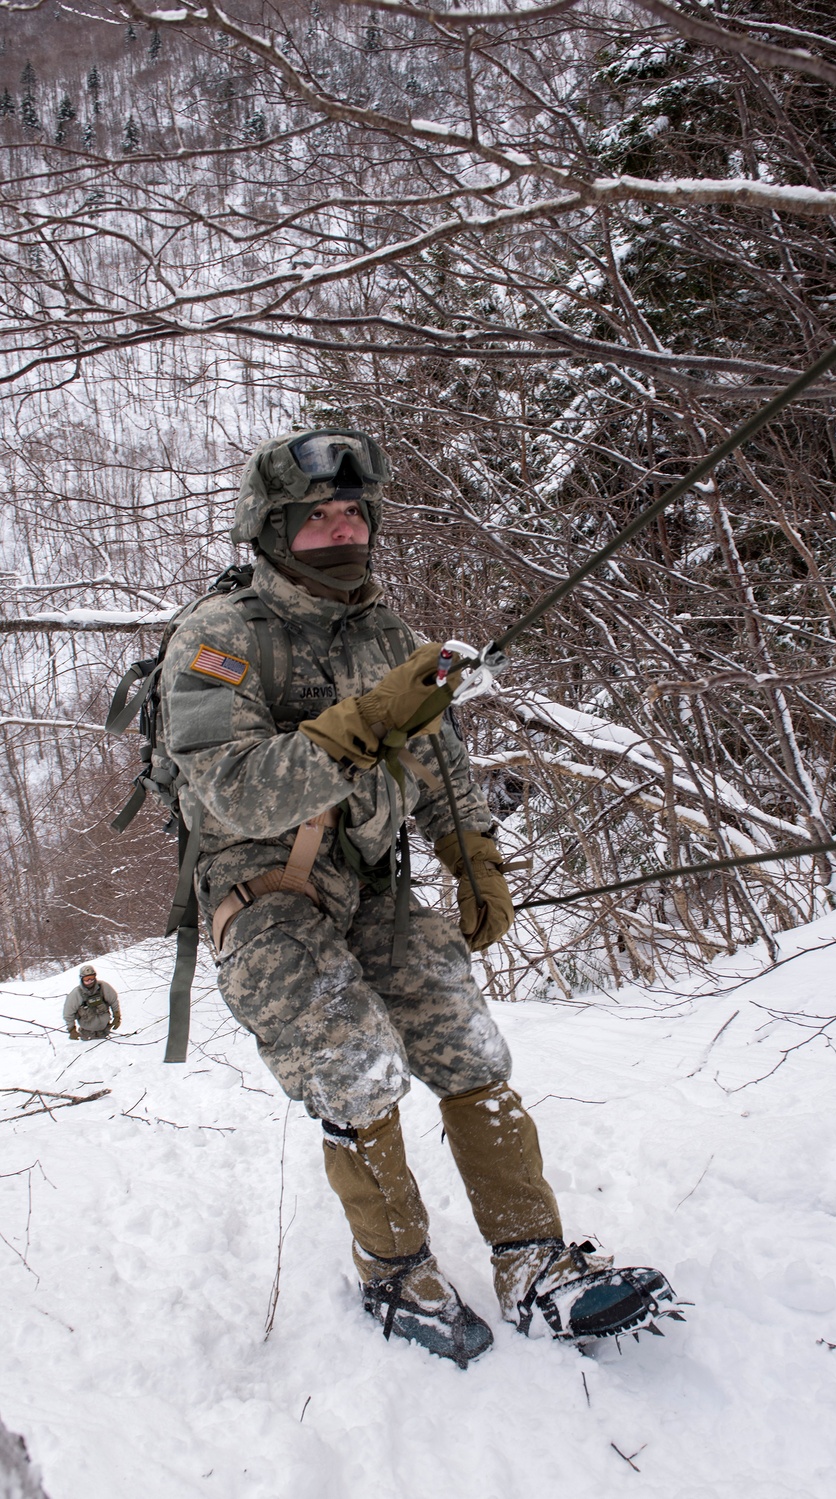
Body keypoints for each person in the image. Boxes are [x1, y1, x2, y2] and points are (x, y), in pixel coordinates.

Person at [159, 428, 675, 1365]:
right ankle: (396, 1268)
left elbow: (440, 760)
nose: (341, 529)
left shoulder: (391, 636)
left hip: (373, 888)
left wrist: (472, 850)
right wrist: (361, 722)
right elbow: (227, 787)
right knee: (355, 1061)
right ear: (272, 529)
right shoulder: (219, 637)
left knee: (469, 1042)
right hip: (265, 898)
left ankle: (533, 1258)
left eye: (354, 512)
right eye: (318, 517)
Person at [64, 964, 120, 1040]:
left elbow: (114, 1001)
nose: (90, 981)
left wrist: (117, 1016)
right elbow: (68, 1013)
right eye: (86, 979)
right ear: (81, 979)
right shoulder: (76, 993)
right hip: (87, 1034)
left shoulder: (103, 987)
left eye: (92, 978)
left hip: (106, 1031)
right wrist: (71, 1029)